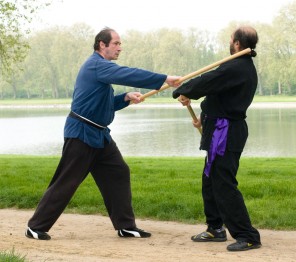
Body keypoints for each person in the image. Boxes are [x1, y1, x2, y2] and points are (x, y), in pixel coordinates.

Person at [25, 27, 181, 240]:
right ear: (102, 44)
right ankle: (35, 226)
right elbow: (127, 73)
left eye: (120, 44)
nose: (120, 47)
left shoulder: (102, 71)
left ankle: (125, 226)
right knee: (67, 180)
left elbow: (105, 106)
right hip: (81, 134)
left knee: (118, 172)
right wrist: (165, 78)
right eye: (116, 43)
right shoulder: (96, 65)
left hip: (100, 136)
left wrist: (124, 97)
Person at [172, 26, 261, 252]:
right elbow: (218, 92)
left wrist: (184, 89)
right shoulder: (236, 66)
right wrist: (201, 114)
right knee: (210, 179)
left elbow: (208, 81)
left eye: (231, 39)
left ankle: (247, 235)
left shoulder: (237, 66)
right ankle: (215, 228)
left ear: (238, 43)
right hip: (219, 127)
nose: (229, 42)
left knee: (223, 183)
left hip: (226, 131)